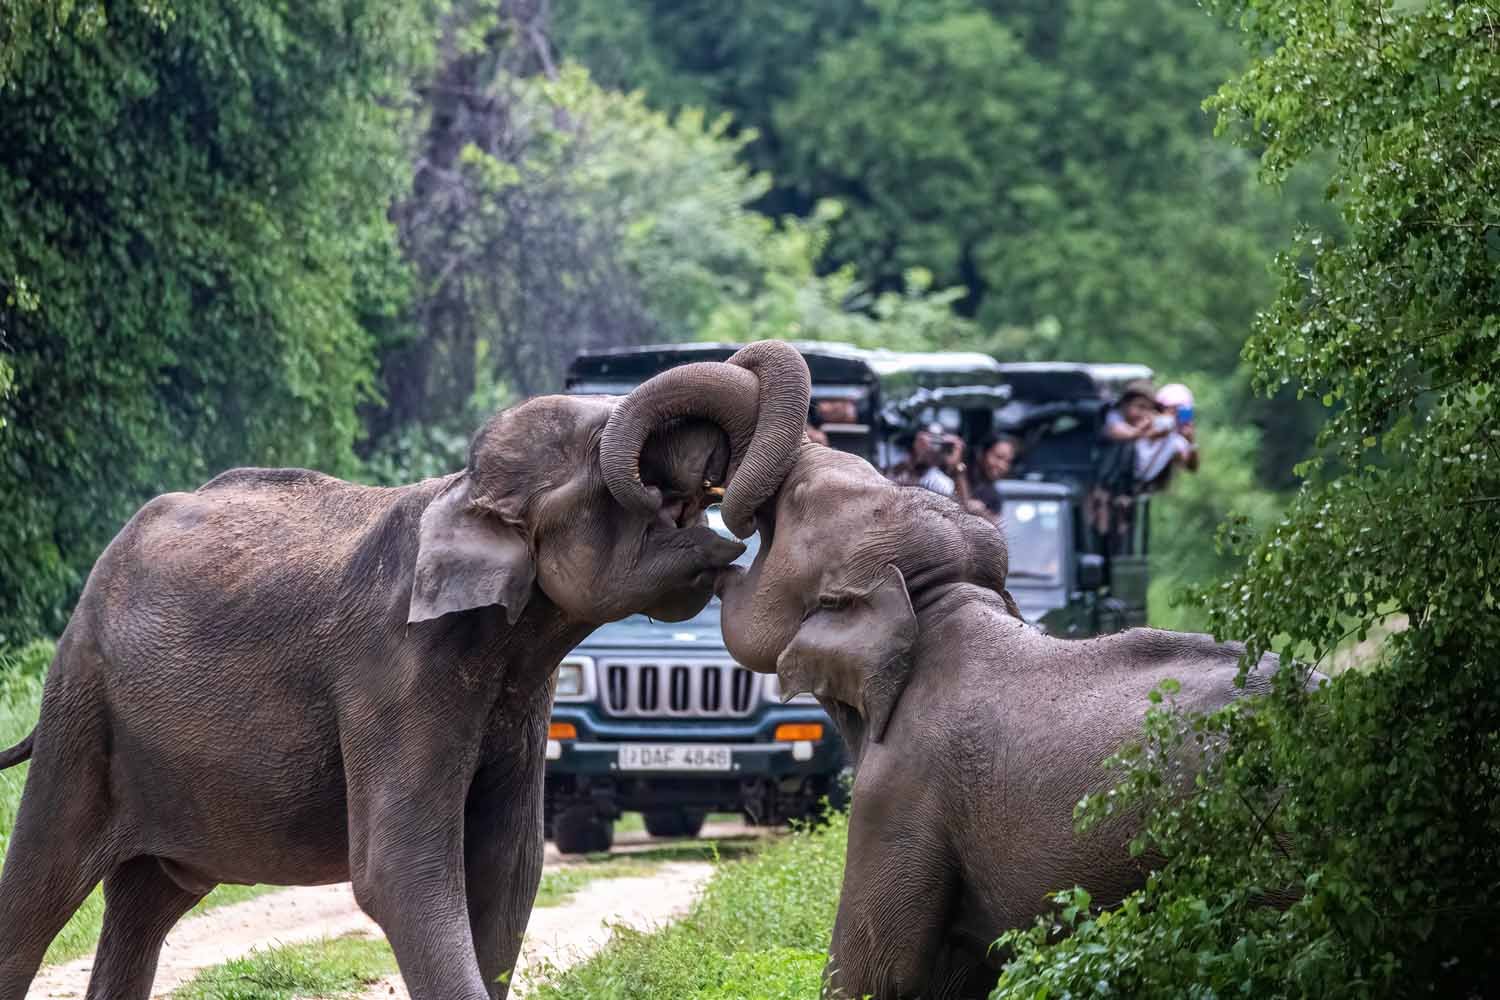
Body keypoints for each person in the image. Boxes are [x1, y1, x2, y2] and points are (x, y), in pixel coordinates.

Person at [1102, 379, 1198, 491]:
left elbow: (1191, 466)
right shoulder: (1114, 418)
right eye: (1140, 407)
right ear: (1125, 404)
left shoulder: (1172, 439)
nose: (1144, 413)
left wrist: (1191, 441)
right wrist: (1150, 430)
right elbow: (1124, 433)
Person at [972, 434, 1021, 515]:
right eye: (998, 457)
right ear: (981, 453)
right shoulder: (959, 477)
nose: (1003, 466)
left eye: (1008, 462)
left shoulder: (994, 496)